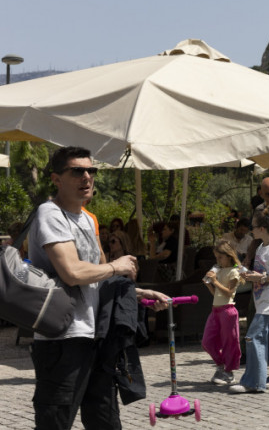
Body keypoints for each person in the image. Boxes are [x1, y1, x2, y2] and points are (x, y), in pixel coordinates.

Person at [28, 146, 169, 429]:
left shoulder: (87, 218)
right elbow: (72, 272)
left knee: (105, 421)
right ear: (56, 179)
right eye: (77, 171)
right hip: (62, 340)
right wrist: (118, 266)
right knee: (55, 422)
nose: (87, 177)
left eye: (91, 170)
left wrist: (138, 293)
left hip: (96, 335)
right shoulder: (50, 214)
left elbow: (96, 277)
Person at [230, 206, 269, 393]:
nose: (251, 230)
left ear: (262, 229)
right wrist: (249, 275)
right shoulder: (261, 248)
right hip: (262, 301)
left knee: (253, 337)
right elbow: (262, 274)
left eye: (254, 226)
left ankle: (254, 382)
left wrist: (262, 278)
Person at [201, 239, 243, 386]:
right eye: (216, 258)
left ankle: (229, 372)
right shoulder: (219, 270)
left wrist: (215, 282)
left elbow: (229, 293)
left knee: (229, 342)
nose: (218, 261)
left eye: (220, 257)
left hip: (228, 310)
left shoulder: (233, 271)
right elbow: (217, 294)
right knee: (207, 341)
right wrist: (209, 285)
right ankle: (220, 365)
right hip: (216, 309)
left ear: (229, 256)